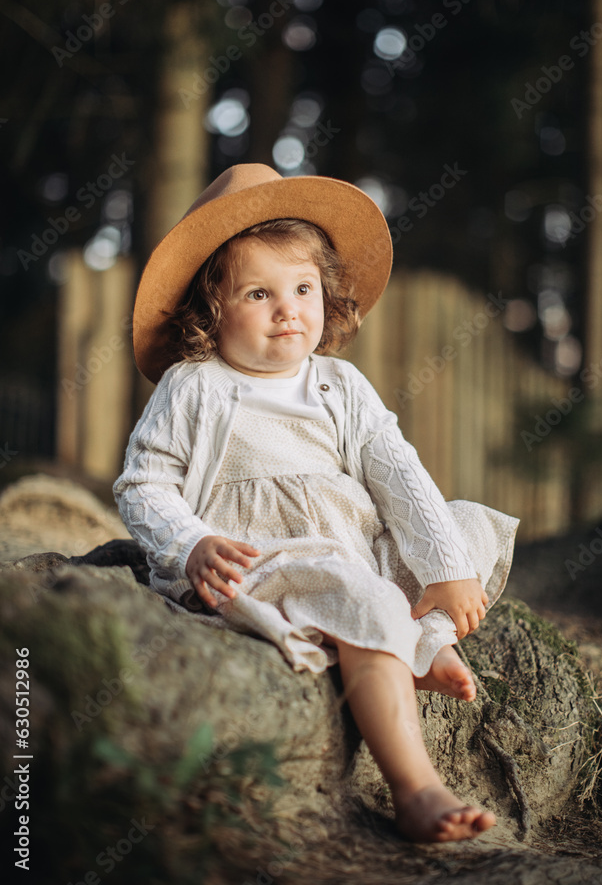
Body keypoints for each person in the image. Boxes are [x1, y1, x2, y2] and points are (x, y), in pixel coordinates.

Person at [114, 162, 519, 844]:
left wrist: (446, 564)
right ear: (211, 307)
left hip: (351, 539)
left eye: (303, 288)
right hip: (267, 554)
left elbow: (397, 473)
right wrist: (190, 546)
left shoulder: (340, 384)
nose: (287, 309)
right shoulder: (194, 386)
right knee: (351, 591)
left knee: (458, 524)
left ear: (326, 293)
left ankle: (424, 637)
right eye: (258, 293)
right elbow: (143, 483)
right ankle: (416, 787)